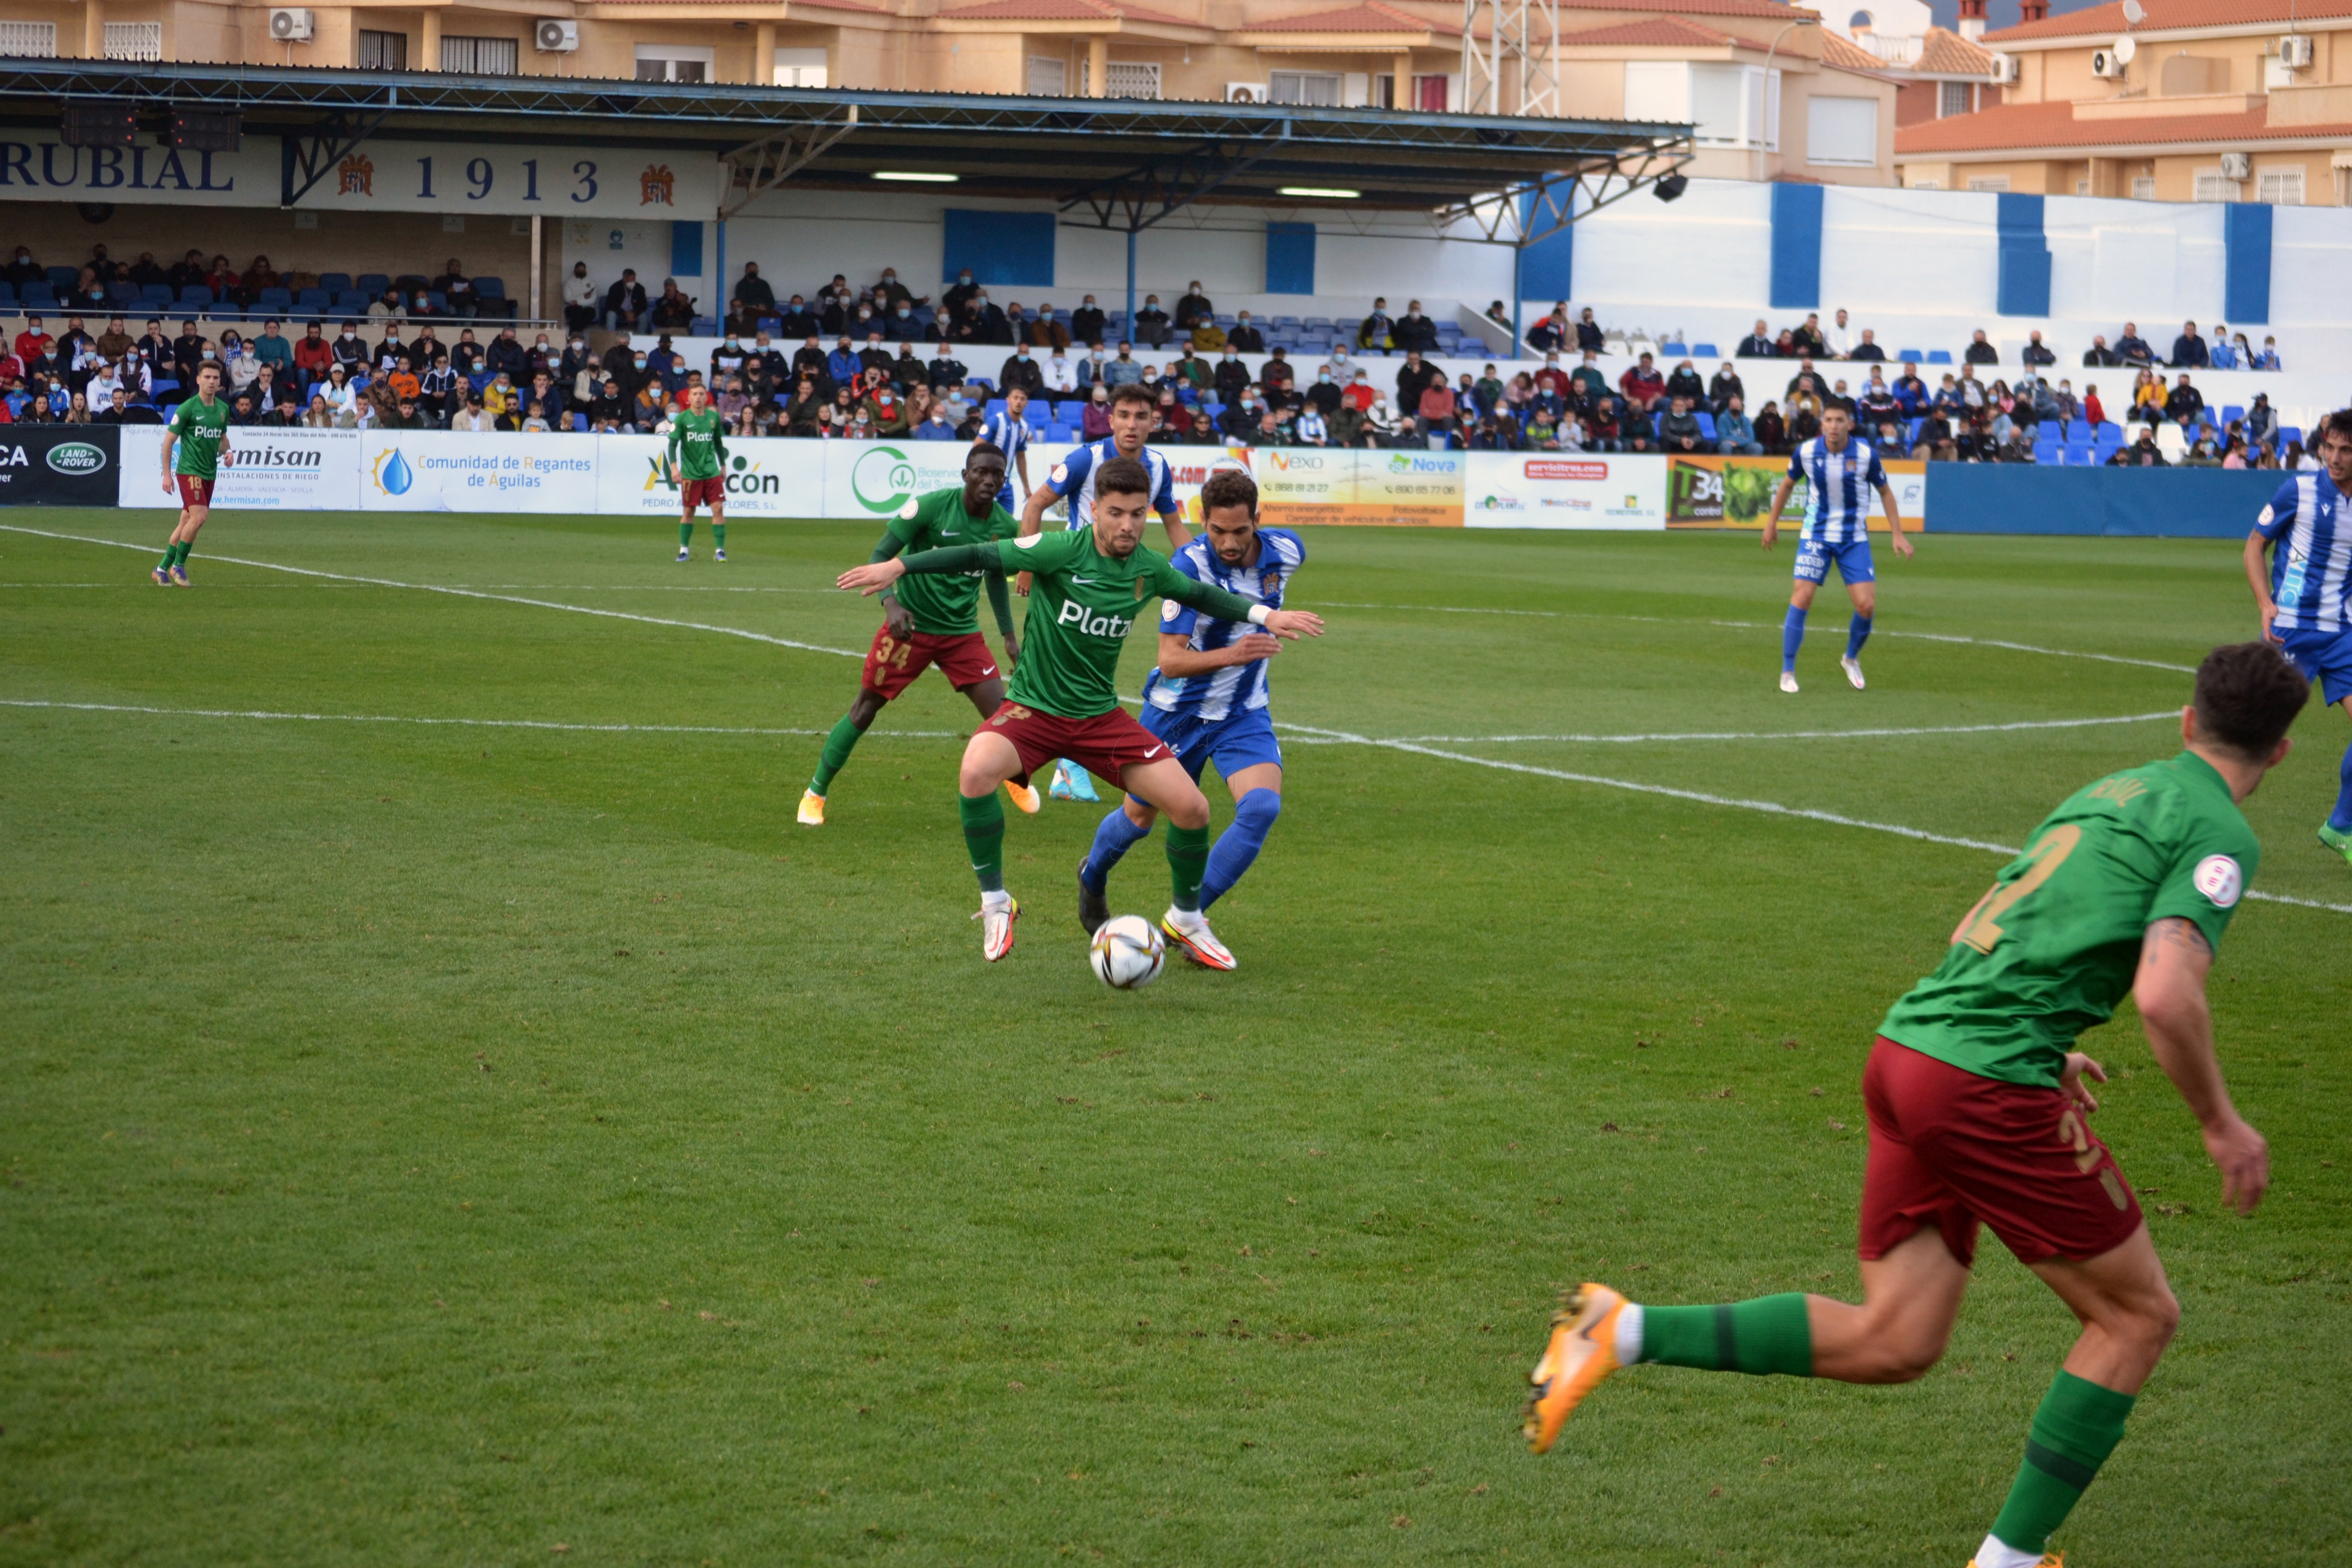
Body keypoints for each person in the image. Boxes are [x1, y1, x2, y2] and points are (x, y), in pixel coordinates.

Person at [1524, 641, 2300, 1568]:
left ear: (2185, 721)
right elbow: (2167, 993)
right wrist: (2219, 1122)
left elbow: (1979, 917)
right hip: (1979, 1083)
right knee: (2137, 1318)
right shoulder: (2220, 832)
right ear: (2281, 753)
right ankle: (2005, 1563)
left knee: (1896, 1337)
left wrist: (2038, 1041)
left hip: (1908, 1049)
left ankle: (1617, 1327)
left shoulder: (2113, 787)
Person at [835, 456, 1323, 964]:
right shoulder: (1058, 549)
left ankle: (1187, 919)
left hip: (1099, 719)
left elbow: (1203, 595)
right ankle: (997, 902)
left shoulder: (1150, 568)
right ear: (1094, 511)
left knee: (1193, 809)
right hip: (1035, 711)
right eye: (1116, 513)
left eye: (1138, 514)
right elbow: (979, 552)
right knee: (977, 769)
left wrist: (1267, 614)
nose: (1128, 525)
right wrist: (900, 565)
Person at [1075, 465, 1305, 948]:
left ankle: (1188, 917)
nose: (1228, 542)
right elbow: (1171, 661)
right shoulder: (1187, 568)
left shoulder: (1286, 552)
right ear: (1204, 523)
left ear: (1257, 520)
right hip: (1175, 714)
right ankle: (1092, 876)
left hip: (1243, 712)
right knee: (1138, 819)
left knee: (1261, 806)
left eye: (1240, 531)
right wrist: (1236, 654)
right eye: (1217, 530)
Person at [800, 445, 1033, 828]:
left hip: (962, 634)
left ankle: (1015, 779)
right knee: (864, 709)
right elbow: (881, 554)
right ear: (965, 475)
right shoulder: (930, 507)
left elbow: (995, 576)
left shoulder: (1005, 527)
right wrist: (891, 605)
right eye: (981, 473)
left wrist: (1008, 636)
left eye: (997, 475)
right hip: (910, 629)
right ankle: (815, 793)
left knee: (1002, 714)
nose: (989, 480)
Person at [1018, 381, 1197, 802]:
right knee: (1068, 677)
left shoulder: (1158, 466)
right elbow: (1034, 505)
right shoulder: (1086, 458)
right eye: (1124, 416)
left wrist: (1200, 569)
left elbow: (1173, 523)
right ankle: (1054, 765)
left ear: (1154, 421)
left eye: (1141, 417)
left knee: (1092, 676)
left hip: (1118, 583)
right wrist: (1027, 569)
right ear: (1110, 417)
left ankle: (1058, 767)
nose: (1131, 425)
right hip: (1070, 581)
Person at [2244, 408, 2352, 865]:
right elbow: (2254, 545)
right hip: (2291, 633)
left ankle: (2340, 826)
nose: (2336, 458)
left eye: (2347, 451)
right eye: (2330, 448)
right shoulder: (2300, 491)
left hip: (2342, 634)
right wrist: (2266, 604)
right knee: (2250, 743)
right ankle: (2194, 827)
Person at [1761, 403, 1914, 694]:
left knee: (1866, 606)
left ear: (1850, 424)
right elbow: (1786, 486)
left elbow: (1885, 492)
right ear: (1822, 424)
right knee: (1802, 597)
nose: (1833, 426)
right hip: (1816, 536)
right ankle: (1788, 670)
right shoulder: (1806, 452)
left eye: (1839, 420)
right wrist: (1772, 524)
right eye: (1828, 420)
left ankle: (1850, 659)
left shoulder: (1866, 455)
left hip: (1853, 538)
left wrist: (1898, 534)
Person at [153, 361, 230, 587]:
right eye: (207, 377)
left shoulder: (223, 409)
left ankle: (161, 569)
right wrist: (167, 475)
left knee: (187, 520)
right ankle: (179, 566)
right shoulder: (188, 408)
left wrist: (229, 452)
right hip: (189, 471)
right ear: (198, 380)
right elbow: (168, 443)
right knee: (200, 517)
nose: (212, 382)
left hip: (209, 472)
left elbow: (222, 439)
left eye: (216, 378)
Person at [668, 383, 730, 562]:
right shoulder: (682, 419)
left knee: (718, 508)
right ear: (689, 397)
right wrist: (674, 468)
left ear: (706, 397)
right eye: (694, 394)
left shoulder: (713, 418)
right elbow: (672, 445)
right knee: (689, 511)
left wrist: (723, 466)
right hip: (690, 473)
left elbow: (718, 443)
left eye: (701, 394)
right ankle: (684, 550)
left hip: (711, 471)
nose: (698, 397)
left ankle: (720, 551)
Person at [982, 386, 1035, 513]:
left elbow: (1021, 457)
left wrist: (1026, 487)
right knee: (982, 521)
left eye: (1022, 399)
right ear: (1008, 400)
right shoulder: (996, 421)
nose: (1018, 402)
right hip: (988, 480)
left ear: (1026, 403)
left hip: (1005, 482)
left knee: (1008, 526)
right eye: (1015, 398)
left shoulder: (1024, 427)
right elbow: (977, 448)